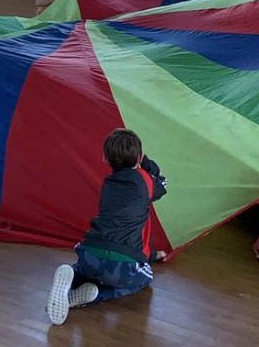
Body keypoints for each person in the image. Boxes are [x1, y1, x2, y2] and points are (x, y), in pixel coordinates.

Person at [45, 128, 167, 325]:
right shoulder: (145, 181)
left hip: (90, 252)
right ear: (140, 156)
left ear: (105, 160)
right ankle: (99, 294)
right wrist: (146, 163)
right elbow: (163, 183)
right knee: (145, 276)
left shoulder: (108, 183)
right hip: (122, 265)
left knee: (92, 267)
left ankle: (73, 277)